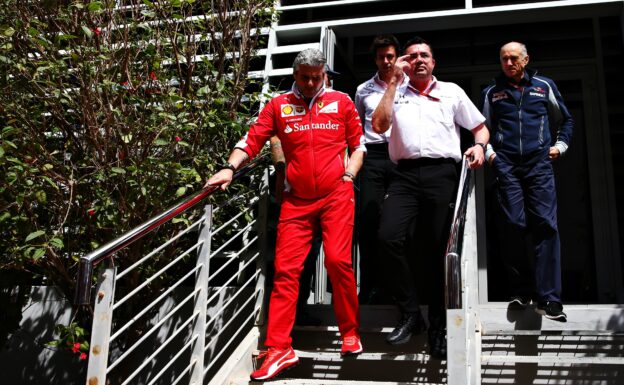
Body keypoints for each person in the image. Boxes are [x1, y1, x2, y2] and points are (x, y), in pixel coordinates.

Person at [206, 48, 366, 381]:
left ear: (323, 74)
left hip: (337, 194)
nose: (309, 83)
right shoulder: (279, 106)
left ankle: (350, 330)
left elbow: (358, 146)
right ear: (295, 75)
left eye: (315, 77)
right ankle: (279, 348)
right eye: (304, 77)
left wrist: (349, 176)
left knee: (338, 261)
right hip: (296, 201)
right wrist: (228, 168)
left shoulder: (342, 102)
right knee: (285, 272)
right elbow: (252, 140)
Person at [372, 36, 489, 359]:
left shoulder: (451, 91)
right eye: (411, 57)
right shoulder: (394, 92)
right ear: (403, 63)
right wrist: (394, 83)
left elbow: (480, 127)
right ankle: (411, 313)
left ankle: (439, 326)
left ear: (433, 62)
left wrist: (479, 146)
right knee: (387, 237)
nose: (419, 60)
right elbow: (378, 125)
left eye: (425, 55)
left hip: (442, 174)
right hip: (405, 175)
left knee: (440, 250)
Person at [481, 41, 573, 322]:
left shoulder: (544, 86)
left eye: (513, 58)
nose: (508, 63)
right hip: (506, 165)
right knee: (512, 224)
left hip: (539, 164)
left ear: (525, 59)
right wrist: (490, 155)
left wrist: (560, 146)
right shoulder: (491, 92)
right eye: (504, 59)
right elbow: (482, 127)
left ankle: (550, 298)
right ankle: (521, 289)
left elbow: (565, 121)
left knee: (545, 225)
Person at [354, 34, 406, 304]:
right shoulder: (364, 89)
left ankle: (399, 287)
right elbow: (356, 129)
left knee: (399, 223)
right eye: (381, 57)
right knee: (369, 220)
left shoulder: (410, 85)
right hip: (373, 156)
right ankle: (371, 286)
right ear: (374, 59)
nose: (386, 61)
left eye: (390, 56)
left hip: (402, 156)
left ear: (397, 57)